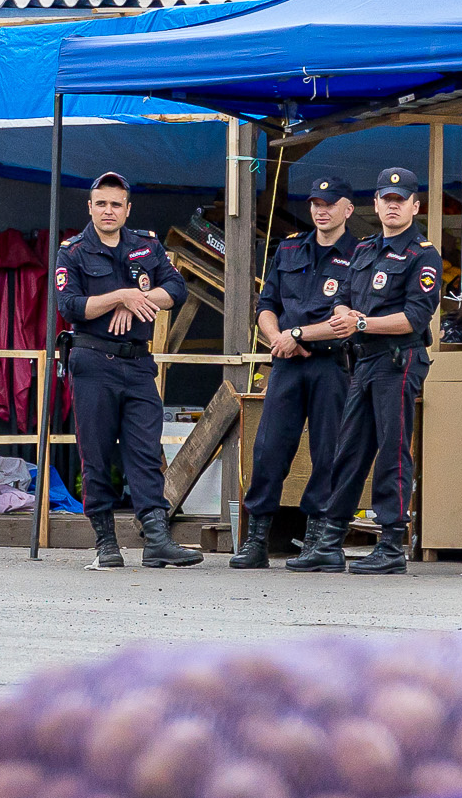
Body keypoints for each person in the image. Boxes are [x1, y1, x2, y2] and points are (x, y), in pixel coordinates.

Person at [53, 172, 202, 570]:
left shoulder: (146, 245)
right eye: (101, 203)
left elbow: (177, 290)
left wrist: (136, 298)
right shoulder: (73, 250)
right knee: (97, 455)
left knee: (145, 451)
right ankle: (106, 544)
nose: (108, 210)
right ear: (90, 207)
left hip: (137, 364)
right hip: (93, 363)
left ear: (127, 209)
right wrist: (120, 295)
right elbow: (69, 306)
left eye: (116, 204)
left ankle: (156, 540)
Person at [230, 173, 364, 571]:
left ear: (348, 209)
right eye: (315, 205)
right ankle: (257, 540)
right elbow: (266, 304)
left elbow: (349, 318)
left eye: (330, 204)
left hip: (331, 364)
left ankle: (315, 539)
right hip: (286, 362)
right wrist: (278, 338)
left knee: (328, 452)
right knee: (269, 448)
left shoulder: (360, 255)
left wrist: (295, 334)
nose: (321, 211)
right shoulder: (289, 249)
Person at [323, 165, 445, 576]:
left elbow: (415, 318)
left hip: (398, 358)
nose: (392, 206)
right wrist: (344, 315)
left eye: (400, 200)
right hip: (364, 360)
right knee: (350, 449)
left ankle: (392, 543)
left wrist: (361, 324)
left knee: (393, 451)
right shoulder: (363, 250)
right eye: (385, 199)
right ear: (374, 204)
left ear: (415, 205)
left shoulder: (423, 255)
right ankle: (329, 540)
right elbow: (340, 296)